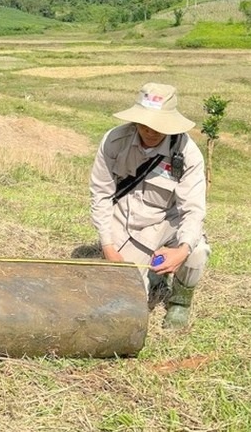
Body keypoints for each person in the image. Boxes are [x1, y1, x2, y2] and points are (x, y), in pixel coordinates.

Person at [89, 82, 210, 330]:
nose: (150, 130)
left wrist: (183, 250)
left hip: (168, 222)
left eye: (159, 125)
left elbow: (193, 210)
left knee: (197, 252)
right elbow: (101, 194)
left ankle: (180, 301)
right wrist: (108, 246)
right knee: (127, 306)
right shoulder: (114, 141)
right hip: (126, 225)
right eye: (144, 123)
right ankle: (153, 276)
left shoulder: (188, 154)